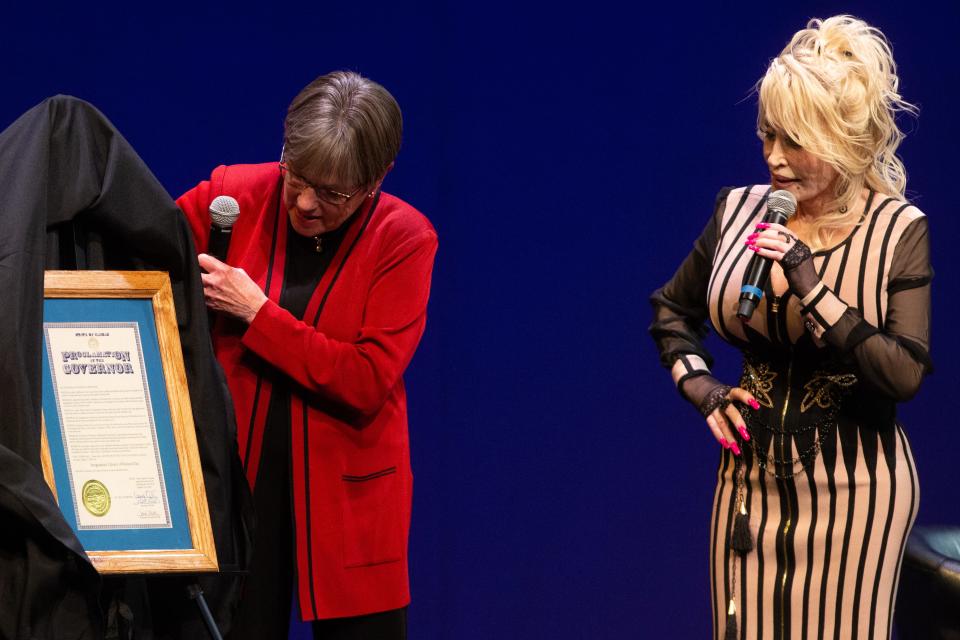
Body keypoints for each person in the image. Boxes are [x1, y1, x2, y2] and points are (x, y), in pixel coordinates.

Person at [649, 16, 930, 640]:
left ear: (841, 141)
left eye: (795, 140)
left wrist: (814, 289)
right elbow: (671, 312)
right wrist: (702, 388)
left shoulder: (897, 231)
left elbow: (904, 372)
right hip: (745, 492)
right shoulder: (737, 210)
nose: (775, 157)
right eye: (767, 135)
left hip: (858, 495)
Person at [177, 71, 438, 639]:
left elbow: (366, 379)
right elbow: (141, 258)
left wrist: (258, 313)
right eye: (296, 174)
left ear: (378, 179)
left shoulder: (405, 239)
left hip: (349, 495)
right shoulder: (232, 195)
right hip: (237, 487)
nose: (304, 201)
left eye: (333, 192)